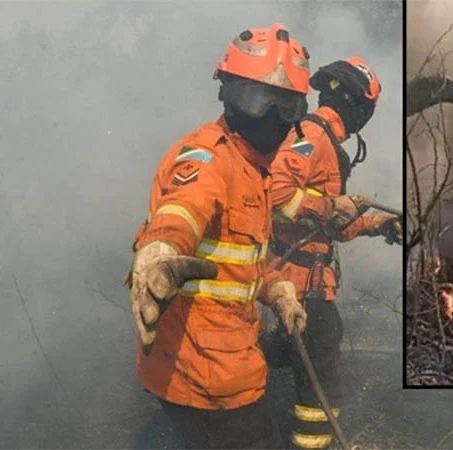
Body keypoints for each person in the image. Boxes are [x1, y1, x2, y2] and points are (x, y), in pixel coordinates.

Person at [124, 23, 310, 449]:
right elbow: (182, 209)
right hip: (206, 376)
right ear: (227, 94)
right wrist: (160, 249)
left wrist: (279, 291)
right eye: (256, 100)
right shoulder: (210, 158)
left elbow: (238, 262)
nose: (271, 118)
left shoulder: (254, 170)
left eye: (285, 108)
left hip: (225, 363)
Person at [264, 56, 402, 450]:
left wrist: (376, 224)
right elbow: (276, 194)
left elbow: (327, 223)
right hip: (300, 283)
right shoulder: (312, 136)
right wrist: (328, 207)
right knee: (322, 384)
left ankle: (244, 374)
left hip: (304, 280)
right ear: (358, 105)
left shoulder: (321, 138)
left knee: (291, 353)